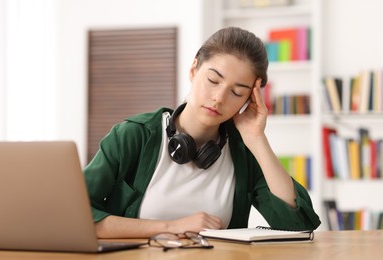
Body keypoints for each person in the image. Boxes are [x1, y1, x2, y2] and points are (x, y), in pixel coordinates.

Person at [84, 26, 321, 239]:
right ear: (194, 69)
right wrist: (170, 226)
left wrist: (256, 139)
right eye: (213, 80)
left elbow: (298, 226)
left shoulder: (244, 151)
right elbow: (77, 217)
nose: (219, 98)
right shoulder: (133, 136)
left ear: (250, 99)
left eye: (237, 93)